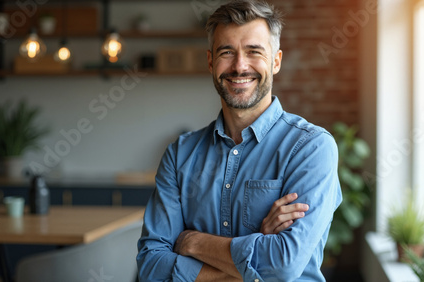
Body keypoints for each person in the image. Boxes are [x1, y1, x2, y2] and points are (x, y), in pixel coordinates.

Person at [136, 0, 342, 281]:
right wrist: (253, 261)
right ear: (211, 62)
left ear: (276, 61)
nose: (239, 66)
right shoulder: (179, 155)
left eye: (254, 51)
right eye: (226, 52)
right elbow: (151, 266)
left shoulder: (311, 148)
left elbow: (285, 265)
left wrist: (193, 243)